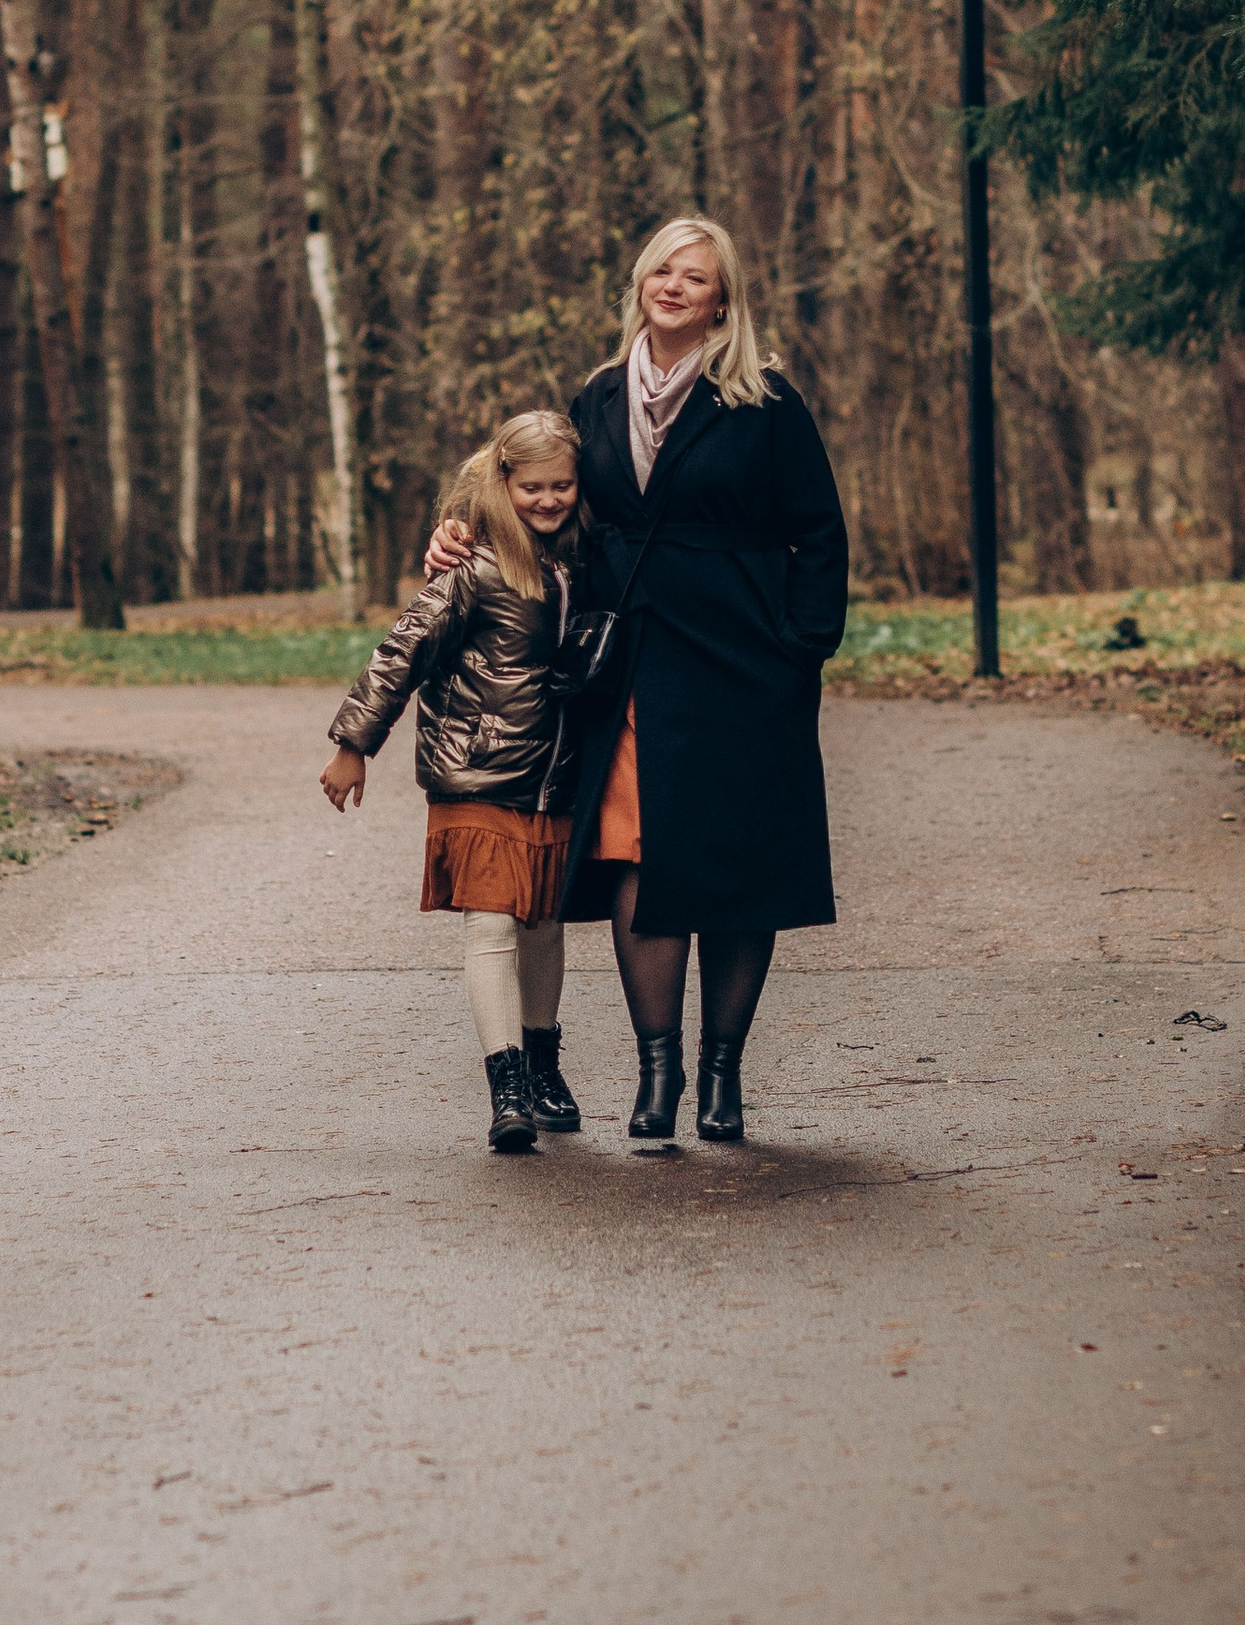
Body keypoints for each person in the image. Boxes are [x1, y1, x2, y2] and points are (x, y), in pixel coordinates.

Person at [429, 217, 849, 1144]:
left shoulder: (765, 400)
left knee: (739, 861)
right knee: (637, 852)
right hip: (634, 662)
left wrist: (802, 647)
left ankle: (721, 1074)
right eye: (662, 268)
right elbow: (538, 496)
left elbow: (819, 531)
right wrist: (462, 530)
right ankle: (658, 1071)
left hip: (746, 661)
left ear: (722, 299)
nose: (674, 284)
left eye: (695, 275)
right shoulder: (600, 394)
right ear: (641, 284)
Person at [319, 408, 588, 1155]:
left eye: (561, 485)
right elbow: (401, 650)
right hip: (476, 771)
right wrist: (353, 744)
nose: (547, 499)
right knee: (492, 921)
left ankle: (543, 1063)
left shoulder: (587, 556)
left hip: (553, 775)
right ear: (503, 481)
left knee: (543, 921)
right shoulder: (474, 566)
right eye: (532, 487)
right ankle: (508, 1086)